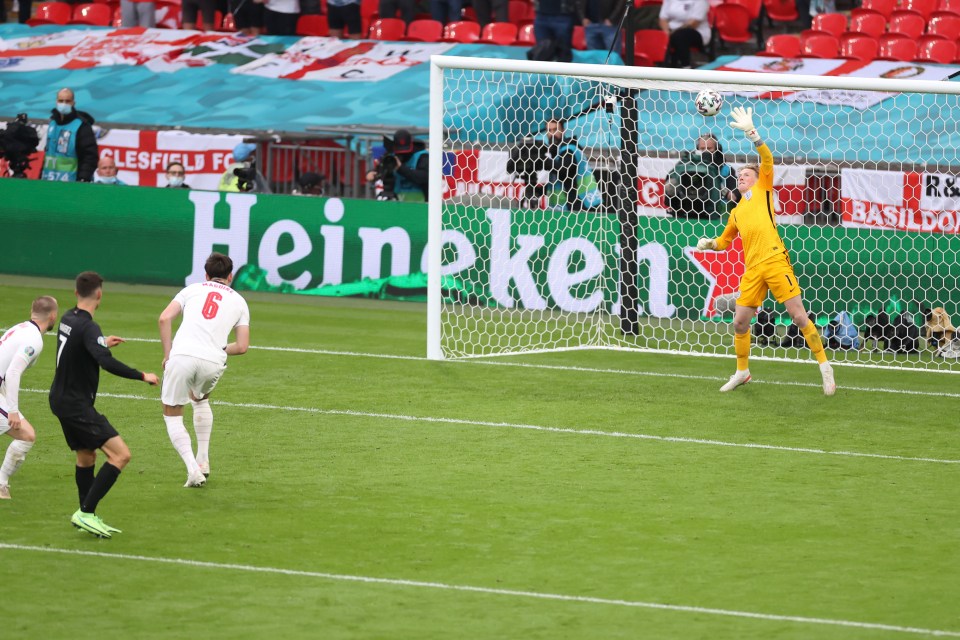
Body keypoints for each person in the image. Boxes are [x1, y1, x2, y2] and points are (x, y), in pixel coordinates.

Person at [697, 107, 835, 395]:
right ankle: (742, 371)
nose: (742, 177)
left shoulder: (764, 191)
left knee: (798, 316)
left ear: (758, 179)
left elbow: (767, 159)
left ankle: (824, 366)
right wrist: (711, 244)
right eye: (741, 175)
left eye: (747, 174)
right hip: (754, 270)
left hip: (774, 261)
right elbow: (724, 242)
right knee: (739, 321)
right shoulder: (736, 212)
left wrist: (752, 133)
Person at [49, 272, 160, 538]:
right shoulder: (89, 327)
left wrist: (101, 342)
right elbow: (105, 362)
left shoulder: (68, 318)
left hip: (59, 399)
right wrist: (142, 375)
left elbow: (79, 345)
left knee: (87, 456)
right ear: (99, 294)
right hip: (76, 405)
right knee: (121, 455)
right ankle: (85, 512)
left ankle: (88, 515)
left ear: (76, 293)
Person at [159, 253, 250, 486]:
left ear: (206, 275)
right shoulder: (240, 301)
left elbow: (164, 318)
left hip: (182, 356)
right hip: (213, 361)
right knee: (199, 400)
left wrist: (168, 355)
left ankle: (193, 469)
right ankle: (203, 459)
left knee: (172, 413)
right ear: (230, 276)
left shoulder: (192, 289)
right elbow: (241, 347)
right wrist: (218, 347)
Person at [0, 296, 58, 500]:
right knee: (26, 435)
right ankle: (1, 485)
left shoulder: (21, 327)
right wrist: (12, 410)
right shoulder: (34, 339)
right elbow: (13, 373)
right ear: (53, 316)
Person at [664, 132, 736, 219]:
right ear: (697, 149)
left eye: (709, 149)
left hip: (714, 215)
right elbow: (669, 191)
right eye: (702, 149)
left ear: (717, 149)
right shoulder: (685, 166)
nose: (705, 152)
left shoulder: (725, 169)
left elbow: (734, 197)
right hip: (684, 212)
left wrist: (720, 188)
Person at [40, 88, 98, 183]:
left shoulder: (81, 125)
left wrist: (83, 178)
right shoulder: (52, 123)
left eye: (67, 101)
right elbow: (48, 153)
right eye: (61, 100)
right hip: (48, 180)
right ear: (56, 102)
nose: (64, 104)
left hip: (71, 182)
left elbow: (90, 156)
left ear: (73, 103)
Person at [543, 117, 602, 211]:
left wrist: (541, 160)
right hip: (573, 204)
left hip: (582, 203)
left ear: (563, 130)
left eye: (555, 129)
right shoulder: (556, 153)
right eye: (549, 130)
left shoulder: (570, 149)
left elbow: (563, 169)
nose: (552, 133)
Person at [365, 129, 429, 202]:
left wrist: (400, 168)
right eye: (399, 152)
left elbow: (424, 177)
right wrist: (371, 173)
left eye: (405, 151)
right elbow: (380, 168)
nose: (401, 155)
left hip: (420, 205)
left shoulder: (422, 156)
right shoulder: (392, 156)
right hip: (397, 204)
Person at [659, 0, 710, 69]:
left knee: (680, 36)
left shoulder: (701, 1)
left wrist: (673, 32)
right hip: (671, 30)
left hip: (696, 31)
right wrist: (666, 32)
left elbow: (693, 23)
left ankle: (686, 66)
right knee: (655, 34)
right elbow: (662, 18)